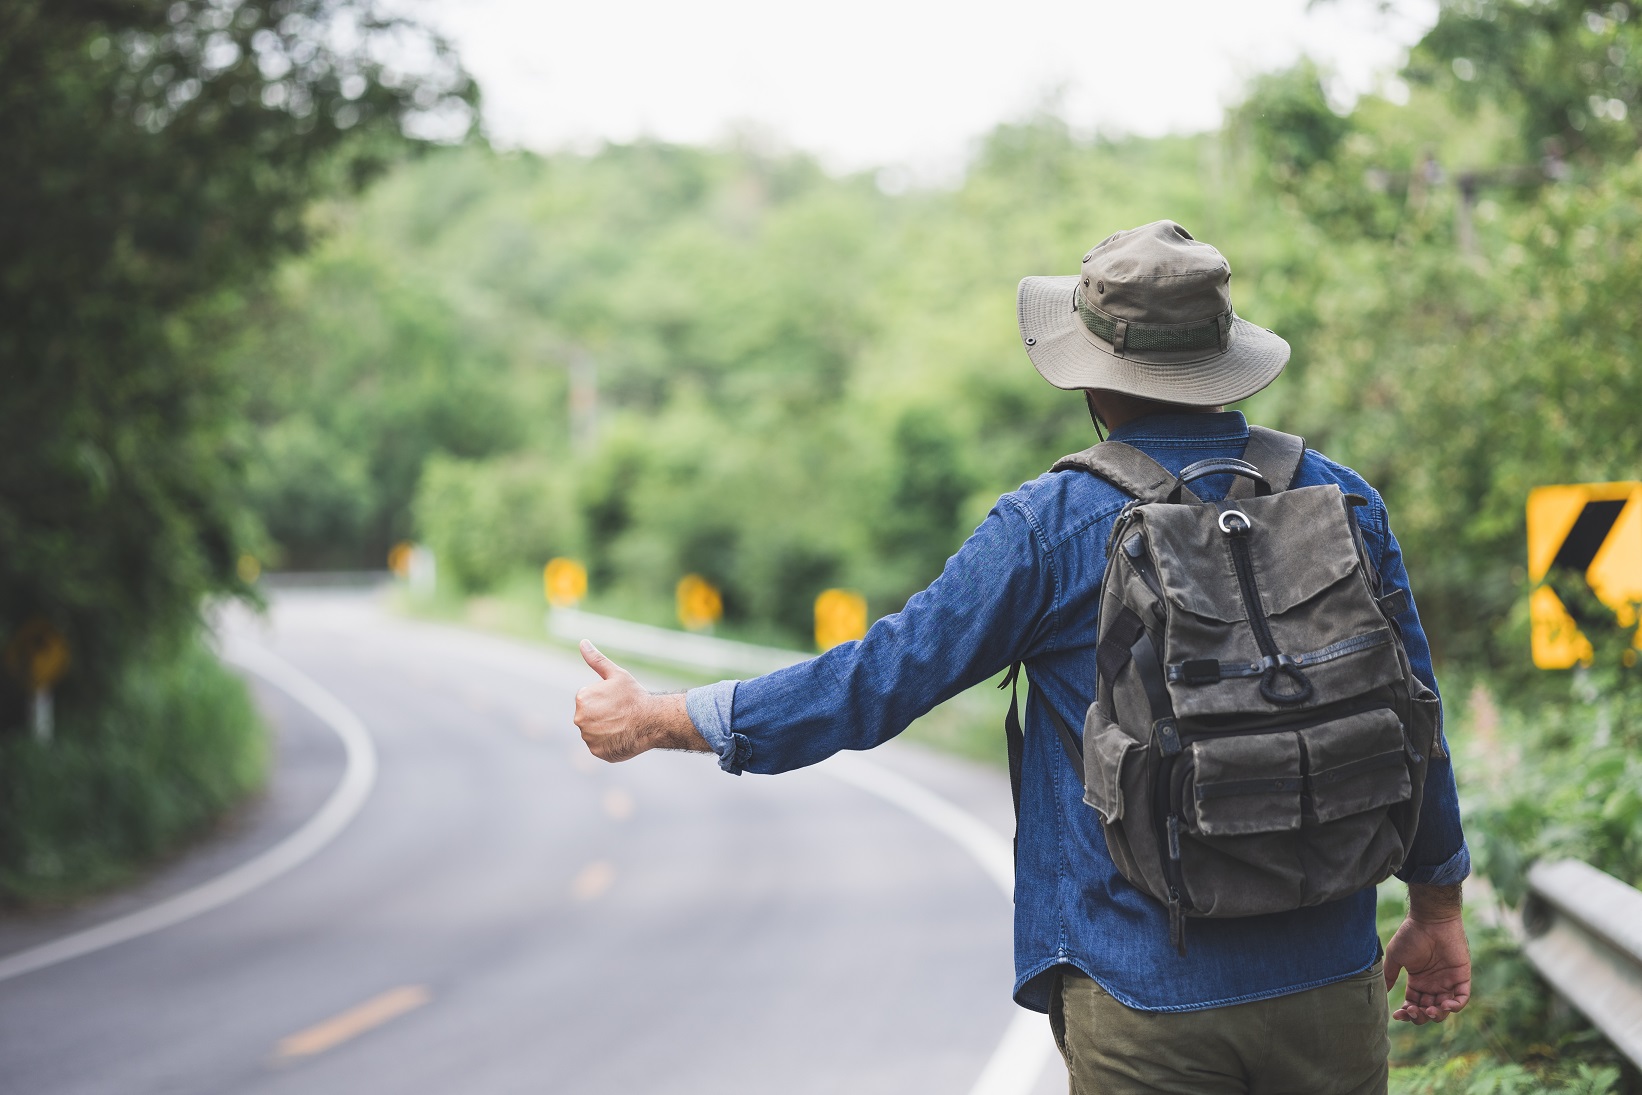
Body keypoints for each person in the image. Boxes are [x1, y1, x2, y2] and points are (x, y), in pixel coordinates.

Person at [572, 220, 1471, 1094]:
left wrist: (665, 718)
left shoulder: (1051, 525)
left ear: (1095, 380)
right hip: (1330, 984)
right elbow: (1415, 716)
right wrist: (1437, 908)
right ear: (1222, 357)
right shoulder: (1343, 500)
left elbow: (883, 677)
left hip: (1142, 992)